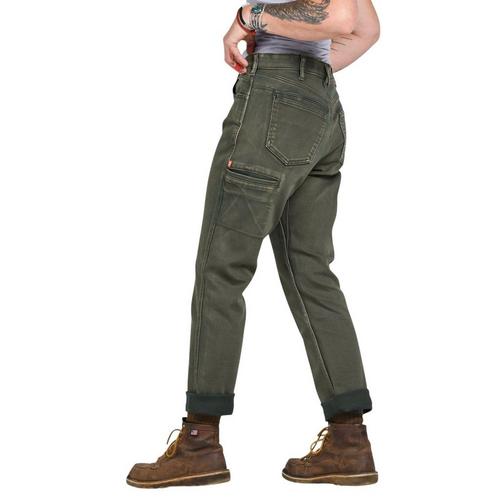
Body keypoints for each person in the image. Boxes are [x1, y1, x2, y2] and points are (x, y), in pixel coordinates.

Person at [126, 0, 380, 489]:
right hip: (322, 107)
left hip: (274, 100)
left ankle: (200, 442)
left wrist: (248, 18)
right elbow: (367, 28)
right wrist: (310, 74)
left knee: (222, 268)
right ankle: (349, 442)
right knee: (311, 273)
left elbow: (341, 20)